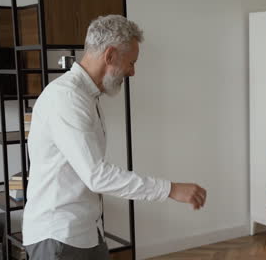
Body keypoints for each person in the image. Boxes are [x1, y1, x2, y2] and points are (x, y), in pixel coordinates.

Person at [22, 15, 207, 260]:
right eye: (131, 62)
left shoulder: (86, 96)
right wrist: (170, 189)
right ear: (109, 55)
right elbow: (96, 175)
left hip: (85, 230)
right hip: (59, 235)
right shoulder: (66, 99)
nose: (132, 71)